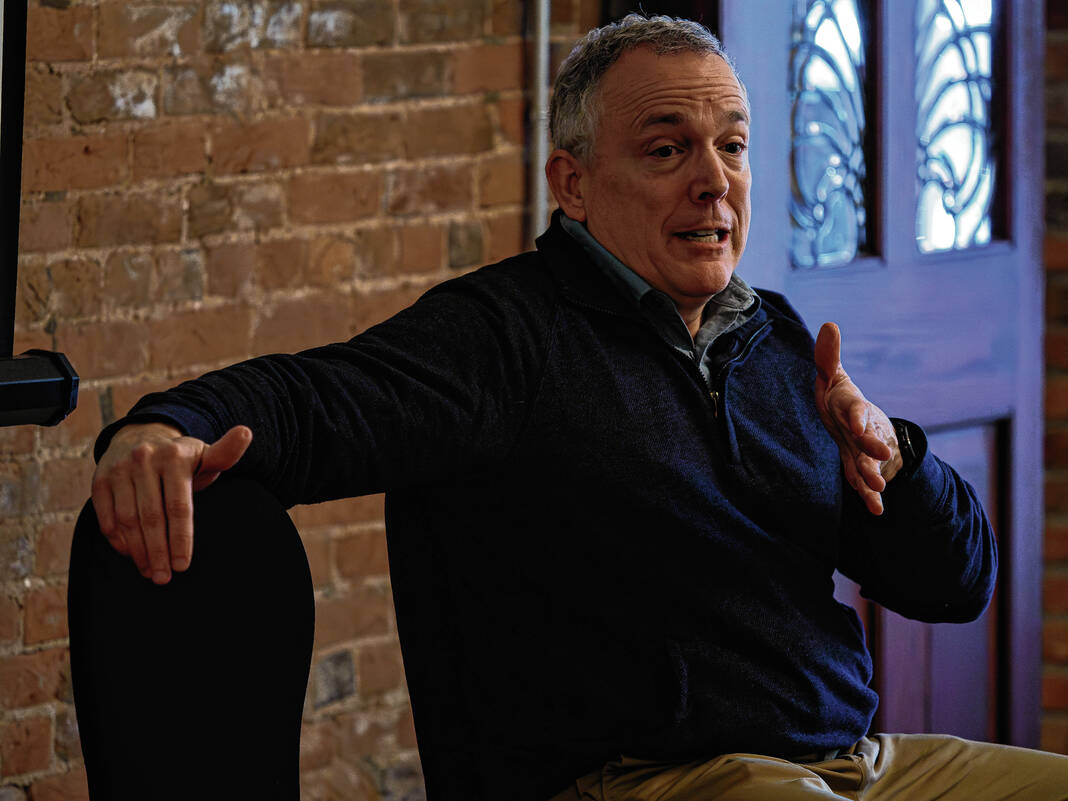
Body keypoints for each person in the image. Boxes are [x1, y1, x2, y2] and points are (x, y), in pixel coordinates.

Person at [68, 13, 1068, 801]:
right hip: (648, 780)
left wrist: (900, 460)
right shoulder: (505, 337)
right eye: (667, 150)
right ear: (573, 184)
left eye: (732, 146)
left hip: (853, 762)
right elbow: (316, 398)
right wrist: (162, 425)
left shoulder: (779, 341)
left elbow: (958, 585)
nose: (714, 182)